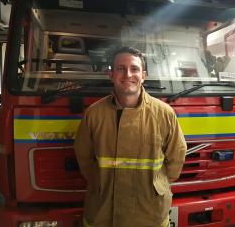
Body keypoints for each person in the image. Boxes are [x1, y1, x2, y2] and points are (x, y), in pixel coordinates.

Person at [74, 46, 187, 227]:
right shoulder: (93, 114)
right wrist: (101, 184)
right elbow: (84, 160)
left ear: (144, 75)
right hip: (102, 214)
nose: (127, 74)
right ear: (110, 75)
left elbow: (176, 160)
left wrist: (158, 186)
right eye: (120, 68)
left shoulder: (165, 114)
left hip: (150, 213)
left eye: (134, 69)